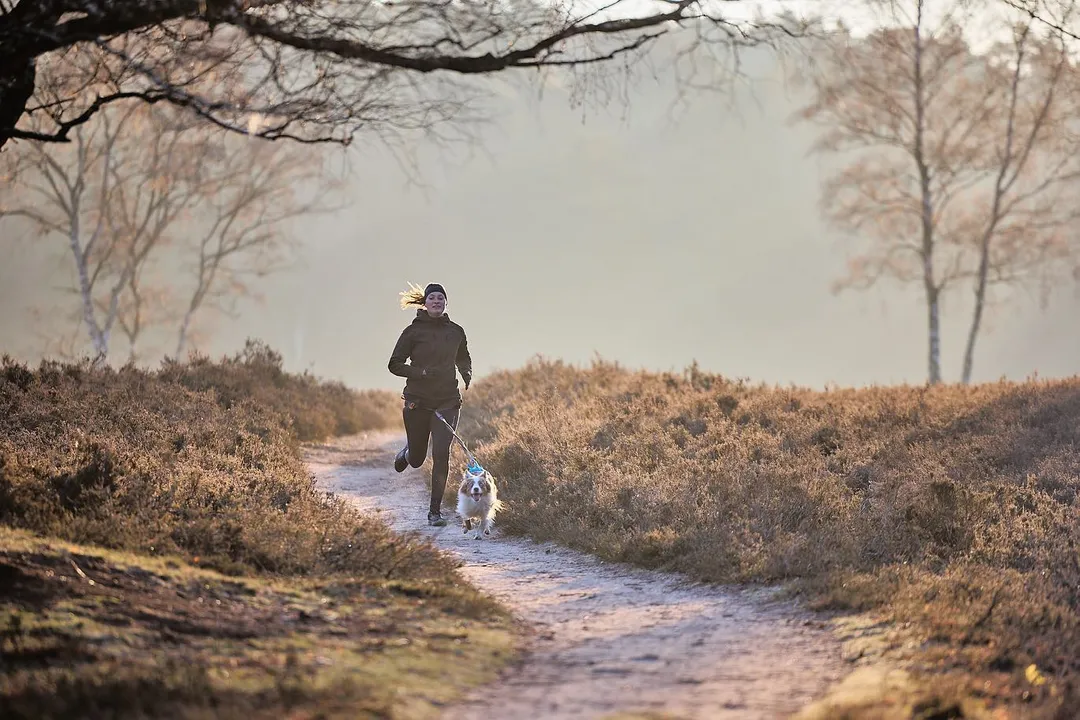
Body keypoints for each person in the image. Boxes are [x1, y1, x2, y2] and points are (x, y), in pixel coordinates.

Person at [387, 282, 473, 527]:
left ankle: (434, 512)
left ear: (446, 303)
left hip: (448, 400)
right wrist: (421, 373)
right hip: (418, 400)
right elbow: (394, 364)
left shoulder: (456, 331)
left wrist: (466, 372)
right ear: (425, 303)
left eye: (440, 298)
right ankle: (407, 453)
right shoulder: (412, 332)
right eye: (432, 297)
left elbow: (463, 356)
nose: (436, 301)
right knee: (417, 459)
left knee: (441, 454)